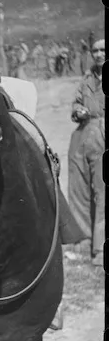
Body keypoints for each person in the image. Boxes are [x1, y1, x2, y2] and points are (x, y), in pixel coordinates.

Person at [67, 38, 105, 267]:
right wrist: (77, 110)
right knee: (79, 190)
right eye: (96, 50)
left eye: (103, 50)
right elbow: (75, 103)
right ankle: (82, 245)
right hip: (83, 135)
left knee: (102, 192)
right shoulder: (87, 78)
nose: (99, 54)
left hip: (102, 134)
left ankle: (100, 249)